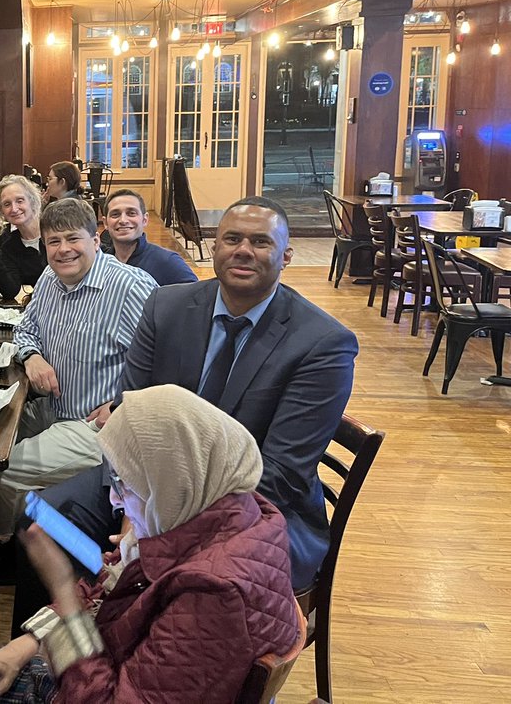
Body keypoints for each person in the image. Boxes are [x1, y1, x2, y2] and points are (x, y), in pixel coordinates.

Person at [36, 196, 358, 596]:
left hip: (251, 510)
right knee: (44, 522)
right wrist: (132, 512)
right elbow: (129, 417)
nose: (243, 250)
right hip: (149, 484)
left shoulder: (322, 344)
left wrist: (157, 529)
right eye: (232, 238)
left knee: (181, 581)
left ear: (286, 256)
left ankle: (126, 643)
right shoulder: (166, 307)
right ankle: (55, 652)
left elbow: (279, 477)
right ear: (215, 247)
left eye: (260, 242)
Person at [0, 385, 301, 704]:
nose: (118, 500)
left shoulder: (214, 594)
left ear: (168, 481)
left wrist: (63, 590)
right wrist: (22, 648)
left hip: (95, 686)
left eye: (127, 483)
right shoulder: (215, 511)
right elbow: (109, 589)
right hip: (107, 669)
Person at [0, 198, 157, 545]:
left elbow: (166, 360)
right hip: (51, 408)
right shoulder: (49, 278)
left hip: (96, 426)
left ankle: (27, 549)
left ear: (95, 239)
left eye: (73, 239)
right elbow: (24, 328)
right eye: (53, 242)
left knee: (5, 468)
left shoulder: (131, 287)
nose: (63, 251)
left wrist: (121, 405)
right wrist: (32, 357)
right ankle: (9, 537)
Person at [99, 189, 197, 285]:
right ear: (105, 223)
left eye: (131, 213)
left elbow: (197, 296)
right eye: (115, 214)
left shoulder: (167, 262)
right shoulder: (101, 262)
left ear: (145, 219)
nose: (123, 220)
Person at [0, 174, 47, 300]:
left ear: (32, 201)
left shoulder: (54, 232)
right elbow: (11, 291)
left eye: (20, 201)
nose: (14, 209)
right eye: (7, 204)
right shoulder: (10, 245)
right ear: (2, 211)